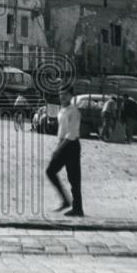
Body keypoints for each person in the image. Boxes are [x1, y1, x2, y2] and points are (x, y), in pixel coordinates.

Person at [46, 87, 83, 217]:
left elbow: (71, 134)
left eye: (65, 94)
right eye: (60, 94)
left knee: (74, 178)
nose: (62, 96)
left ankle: (78, 209)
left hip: (71, 145)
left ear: (71, 96)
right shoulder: (61, 110)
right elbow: (61, 130)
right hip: (63, 143)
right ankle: (66, 201)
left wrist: (59, 148)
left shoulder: (74, 111)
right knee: (50, 171)